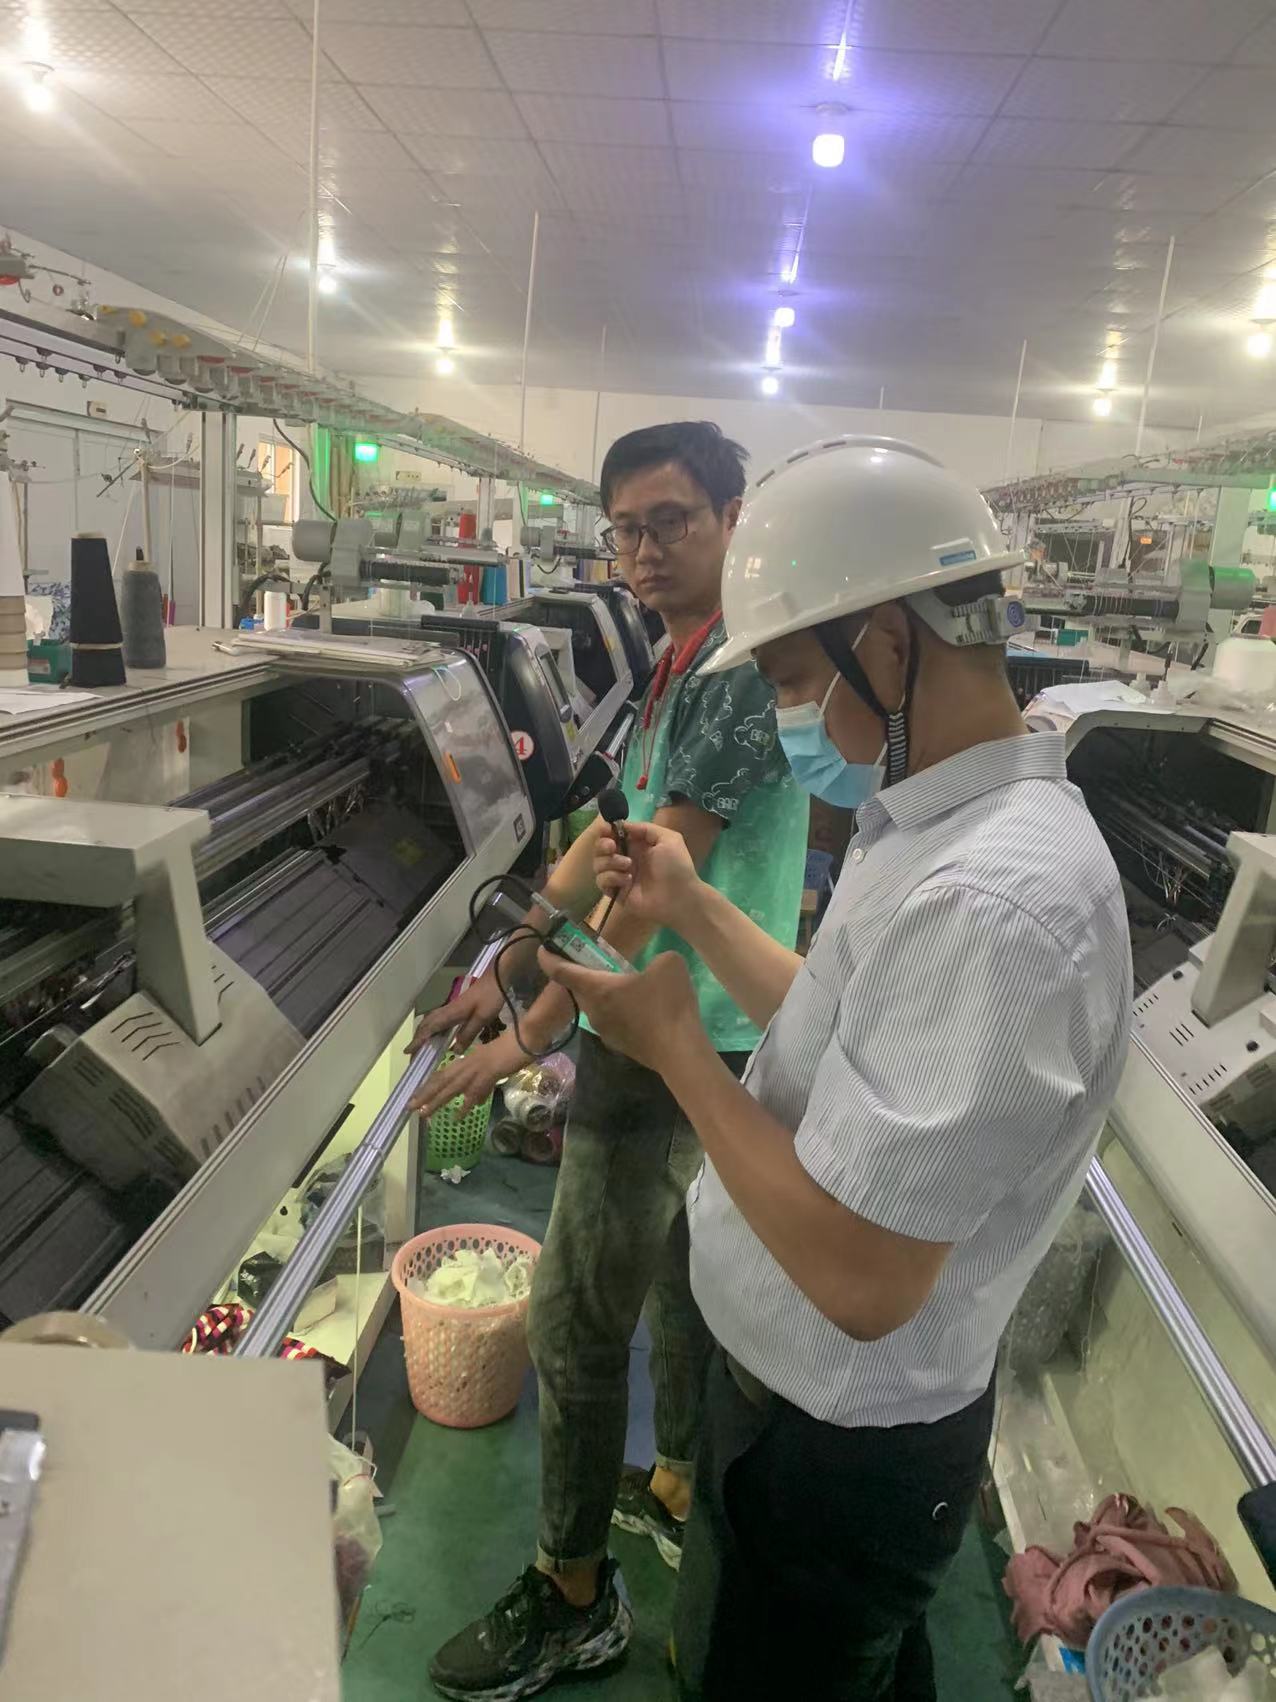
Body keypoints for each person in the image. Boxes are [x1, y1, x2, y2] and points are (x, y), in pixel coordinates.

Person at [541, 435, 1133, 1701]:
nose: (787, 713)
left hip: (837, 1453)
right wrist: (694, 908)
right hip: (791, 1416)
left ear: (891, 642)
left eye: (796, 677)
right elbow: (841, 1025)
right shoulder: (931, 818)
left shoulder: (994, 901)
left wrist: (679, 1050)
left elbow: (866, 1277)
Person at [415, 421, 809, 1702]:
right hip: (685, 1024)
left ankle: (572, 1593)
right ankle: (680, 1480)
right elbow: (604, 848)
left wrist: (526, 1032)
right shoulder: (671, 661)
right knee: (687, 1282)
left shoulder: (734, 674)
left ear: (734, 519)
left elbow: (646, 887)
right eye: (625, 529)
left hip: (673, 1032)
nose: (642, 551)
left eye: (671, 522)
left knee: (576, 1322)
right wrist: (506, 964)